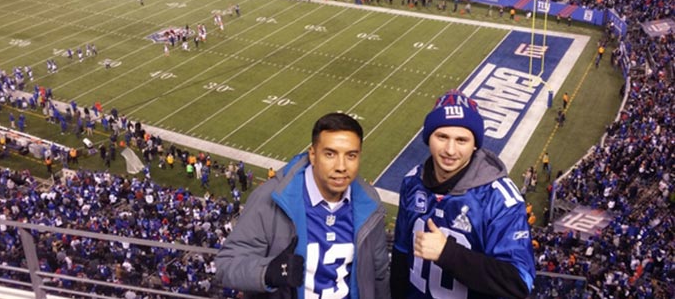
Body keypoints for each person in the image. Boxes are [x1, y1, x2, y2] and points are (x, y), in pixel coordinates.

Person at [216, 113, 390, 298]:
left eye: (351, 155)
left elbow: (378, 274)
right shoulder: (270, 199)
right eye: (330, 154)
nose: (341, 166)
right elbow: (226, 265)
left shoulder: (369, 202)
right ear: (313, 155)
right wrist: (267, 272)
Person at [390, 90, 535, 299]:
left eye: (461, 140)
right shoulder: (413, 182)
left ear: (475, 144)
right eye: (442, 137)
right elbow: (401, 254)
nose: (450, 150)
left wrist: (448, 254)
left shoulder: (499, 199)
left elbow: (519, 282)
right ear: (427, 138)